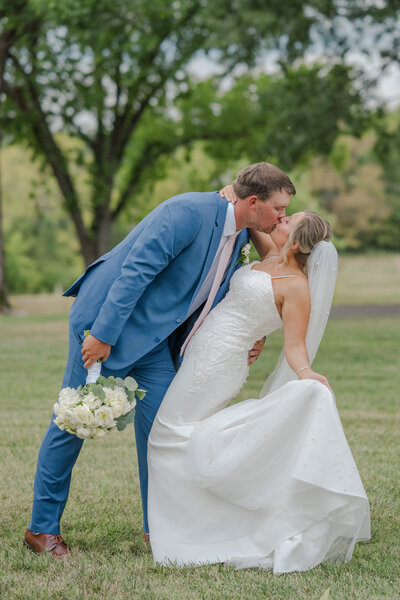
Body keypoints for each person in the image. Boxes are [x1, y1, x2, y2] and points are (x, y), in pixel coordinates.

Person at [24, 162, 296, 558]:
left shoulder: (238, 235)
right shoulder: (185, 212)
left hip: (154, 343)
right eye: (279, 210)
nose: (282, 217)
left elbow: (208, 296)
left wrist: (249, 339)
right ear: (253, 202)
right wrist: (102, 336)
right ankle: (42, 529)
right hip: (104, 325)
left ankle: (161, 529)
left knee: (163, 433)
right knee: (72, 422)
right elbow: (135, 273)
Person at [147, 199, 370, 573]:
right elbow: (250, 216)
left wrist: (306, 375)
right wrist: (239, 193)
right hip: (202, 350)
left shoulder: (297, 286)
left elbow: (296, 346)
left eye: (287, 221)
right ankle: (192, 528)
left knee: (167, 437)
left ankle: (191, 535)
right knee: (176, 437)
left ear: (297, 244)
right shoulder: (270, 253)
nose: (279, 220)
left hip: (221, 363)